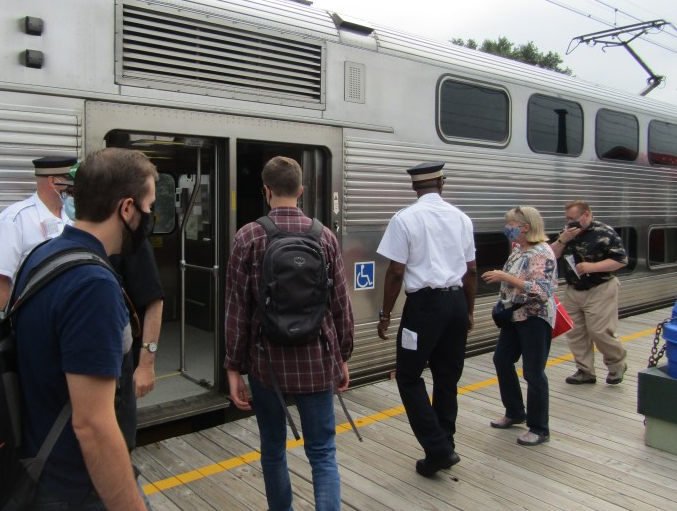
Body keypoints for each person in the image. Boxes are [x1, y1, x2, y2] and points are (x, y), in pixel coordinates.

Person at [14, 148, 157, 510]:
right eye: (148, 207)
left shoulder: (43, 255)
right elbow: (92, 425)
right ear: (126, 209)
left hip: (41, 468)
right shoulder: (92, 285)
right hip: (76, 489)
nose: (150, 217)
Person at [225, 156, 354, 511]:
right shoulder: (324, 236)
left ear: (265, 190)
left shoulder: (248, 236)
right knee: (323, 453)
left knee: (272, 448)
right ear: (301, 190)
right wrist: (342, 356)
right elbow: (341, 304)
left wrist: (233, 367)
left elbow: (237, 309)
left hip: (267, 365)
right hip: (316, 361)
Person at [376, 161, 476, 478]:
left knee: (408, 377)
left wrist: (386, 313)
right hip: (457, 302)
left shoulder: (404, 218)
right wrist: (469, 310)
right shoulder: (461, 218)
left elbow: (395, 272)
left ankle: (438, 448)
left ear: (414, 187)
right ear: (441, 184)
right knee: (447, 379)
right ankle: (444, 445)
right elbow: (471, 270)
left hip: (423, 308)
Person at [482, 206, 557, 446]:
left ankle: (539, 428)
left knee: (534, 372)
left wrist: (504, 277)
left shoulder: (541, 252)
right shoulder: (518, 250)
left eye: (512, 224)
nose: (508, 228)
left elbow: (542, 290)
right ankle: (514, 412)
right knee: (501, 359)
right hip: (514, 317)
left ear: (526, 227)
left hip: (535, 318)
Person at [0, 155, 76, 311]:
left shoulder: (73, 215)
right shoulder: (14, 220)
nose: (75, 186)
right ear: (53, 182)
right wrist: (9, 324)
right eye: (71, 180)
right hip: (34, 317)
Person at [551, 200, 629, 385]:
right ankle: (585, 371)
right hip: (573, 289)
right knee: (575, 332)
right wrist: (563, 239)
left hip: (600, 288)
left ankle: (617, 365)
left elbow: (621, 260)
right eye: (568, 218)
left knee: (600, 331)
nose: (570, 222)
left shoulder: (605, 232)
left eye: (574, 218)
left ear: (586, 215)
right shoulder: (567, 233)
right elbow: (552, 254)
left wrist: (592, 267)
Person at [111, 238, 165, 450]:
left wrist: (145, 364)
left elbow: (154, 299)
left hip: (121, 370)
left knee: (120, 445)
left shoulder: (133, 242)